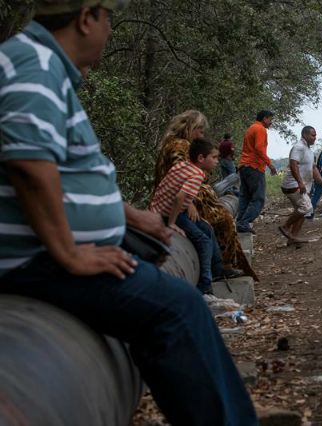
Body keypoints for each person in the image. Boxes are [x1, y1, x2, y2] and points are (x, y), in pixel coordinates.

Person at [0, 2, 258, 425]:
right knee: (179, 309)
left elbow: (63, 175)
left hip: (52, 248)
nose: (110, 31)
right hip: (34, 258)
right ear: (86, 18)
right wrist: (70, 253)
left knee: (162, 289)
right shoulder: (34, 64)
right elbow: (29, 166)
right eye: (108, 20)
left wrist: (132, 219)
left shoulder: (40, 65)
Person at [154, 110, 258, 282]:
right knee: (222, 218)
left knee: (213, 223)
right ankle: (222, 266)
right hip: (178, 201)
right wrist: (190, 204)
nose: (201, 135)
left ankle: (219, 267)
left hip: (181, 198)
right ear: (190, 128)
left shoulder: (178, 144)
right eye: (200, 131)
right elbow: (180, 178)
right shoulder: (179, 146)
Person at [151, 138, 241, 293]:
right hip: (168, 212)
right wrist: (172, 223)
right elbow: (180, 197)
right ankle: (205, 284)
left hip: (162, 207)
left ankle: (217, 270)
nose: (217, 161)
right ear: (201, 158)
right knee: (203, 240)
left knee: (207, 228)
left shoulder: (184, 165)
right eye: (213, 157)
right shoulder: (197, 174)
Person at [278, 126, 322, 244]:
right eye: (313, 135)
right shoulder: (299, 147)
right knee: (307, 207)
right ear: (305, 135)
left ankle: (292, 238)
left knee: (302, 211)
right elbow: (293, 164)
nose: (315, 138)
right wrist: (300, 182)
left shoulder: (309, 151)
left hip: (302, 185)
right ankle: (285, 227)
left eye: (315, 135)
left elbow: (313, 169)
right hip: (292, 185)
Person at [236, 110, 277, 233]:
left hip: (244, 166)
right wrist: (270, 165)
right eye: (270, 119)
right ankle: (244, 222)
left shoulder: (251, 128)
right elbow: (259, 148)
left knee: (245, 197)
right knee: (258, 198)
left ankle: (240, 223)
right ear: (264, 118)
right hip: (254, 167)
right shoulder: (260, 129)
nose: (271, 122)